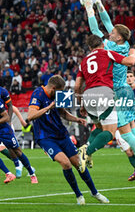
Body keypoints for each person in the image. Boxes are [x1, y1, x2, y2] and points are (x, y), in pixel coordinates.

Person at [81, 0, 135, 184]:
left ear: (118, 38)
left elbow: (95, 30)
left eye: (113, 32)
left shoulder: (112, 47)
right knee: (128, 131)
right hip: (123, 90)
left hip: (117, 91)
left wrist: (90, 9)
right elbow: (106, 23)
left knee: (123, 130)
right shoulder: (122, 43)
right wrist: (99, 3)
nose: (110, 31)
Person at [28, 75, 109, 205]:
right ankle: (79, 196)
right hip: (45, 137)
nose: (61, 93)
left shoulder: (56, 95)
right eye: (60, 90)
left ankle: (95, 192)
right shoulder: (38, 94)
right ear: (54, 88)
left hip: (61, 134)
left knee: (78, 163)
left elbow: (63, 113)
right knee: (66, 163)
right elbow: (30, 116)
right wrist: (49, 107)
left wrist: (77, 119)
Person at [75, 35, 135, 171]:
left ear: (90, 48)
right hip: (104, 93)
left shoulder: (84, 61)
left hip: (88, 96)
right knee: (110, 133)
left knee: (99, 128)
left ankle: (87, 148)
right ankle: (87, 151)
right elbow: (129, 62)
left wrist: (81, 104)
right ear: (102, 45)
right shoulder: (106, 53)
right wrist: (133, 53)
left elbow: (77, 85)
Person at [0, 73, 31, 179]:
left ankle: (19, 165)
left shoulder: (2, 91)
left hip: (3, 123)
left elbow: (12, 107)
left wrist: (16, 120)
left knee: (10, 148)